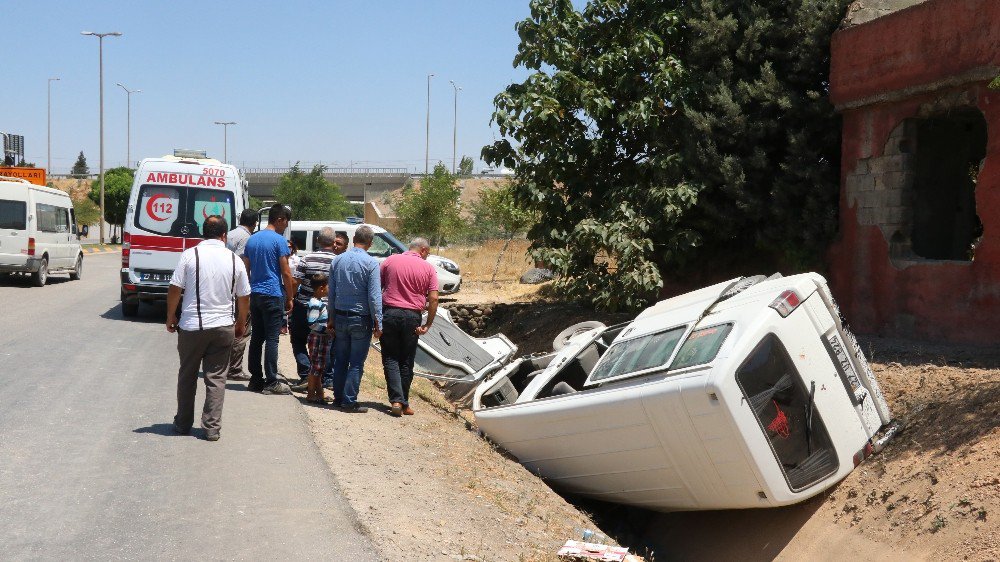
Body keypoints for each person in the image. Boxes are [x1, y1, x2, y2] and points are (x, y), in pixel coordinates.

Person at [166, 215, 251, 441]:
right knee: (216, 378)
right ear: (224, 235)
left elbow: (175, 288)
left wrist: (171, 316)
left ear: (204, 233)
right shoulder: (235, 260)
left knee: (187, 376)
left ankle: (183, 423)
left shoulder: (189, 256)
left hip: (192, 326)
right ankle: (211, 428)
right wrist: (241, 323)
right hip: (223, 327)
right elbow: (244, 296)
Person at [379, 237, 439, 417]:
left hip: (389, 313)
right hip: (412, 317)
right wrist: (428, 324)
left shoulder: (390, 261)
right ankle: (403, 402)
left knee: (390, 358)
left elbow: (377, 288)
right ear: (423, 250)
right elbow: (434, 298)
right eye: (427, 253)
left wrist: (375, 318)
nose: (427, 257)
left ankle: (397, 400)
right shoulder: (428, 268)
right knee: (406, 360)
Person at [327, 226, 383, 413]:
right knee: (356, 362)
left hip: (341, 316)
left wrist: (331, 319)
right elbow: (374, 297)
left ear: (353, 240)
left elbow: (331, 294)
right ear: (370, 243)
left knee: (341, 360)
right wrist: (378, 322)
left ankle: (338, 397)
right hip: (361, 318)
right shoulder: (371, 263)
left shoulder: (338, 260)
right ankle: (349, 401)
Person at [243, 203, 294, 395]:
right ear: (279, 219)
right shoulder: (279, 241)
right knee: (272, 340)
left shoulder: (252, 240)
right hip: (272, 294)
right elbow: (286, 272)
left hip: (255, 294)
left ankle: (256, 379)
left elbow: (245, 269)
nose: (285, 226)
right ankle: (271, 381)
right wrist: (290, 297)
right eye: (285, 222)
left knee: (257, 338)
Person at [289, 228, 347, 393]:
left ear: (317, 241)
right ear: (333, 241)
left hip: (304, 305)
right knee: (324, 344)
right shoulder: (339, 261)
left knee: (298, 340)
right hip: (328, 309)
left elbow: (296, 282)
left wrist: (290, 299)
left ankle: (307, 373)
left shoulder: (307, 258)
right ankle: (320, 377)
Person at [225, 209, 258, 381]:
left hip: (223, 287)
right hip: (237, 288)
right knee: (242, 328)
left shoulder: (228, 235)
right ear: (255, 224)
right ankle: (235, 369)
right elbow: (243, 266)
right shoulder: (247, 239)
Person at [304, 274, 332, 404]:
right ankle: (310, 394)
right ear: (321, 288)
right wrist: (325, 329)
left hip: (322, 338)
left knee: (319, 367)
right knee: (315, 367)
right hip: (317, 338)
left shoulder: (319, 302)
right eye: (328, 287)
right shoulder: (316, 303)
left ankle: (320, 394)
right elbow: (312, 323)